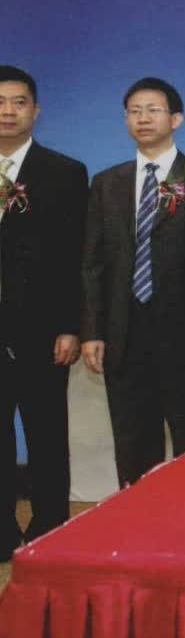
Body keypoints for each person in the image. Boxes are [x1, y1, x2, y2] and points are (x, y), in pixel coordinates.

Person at [80, 77, 185, 487]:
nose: (143, 118)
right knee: (131, 439)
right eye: (134, 111)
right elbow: (93, 263)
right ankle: (136, 518)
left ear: (176, 119)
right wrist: (92, 331)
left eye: (153, 110)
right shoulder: (106, 182)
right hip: (122, 331)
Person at [0, 67, 88, 555]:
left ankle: (50, 529)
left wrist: (71, 326)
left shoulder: (64, 172)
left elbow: (76, 256)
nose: (8, 112)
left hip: (42, 330)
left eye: (19, 102)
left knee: (47, 434)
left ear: (36, 110)